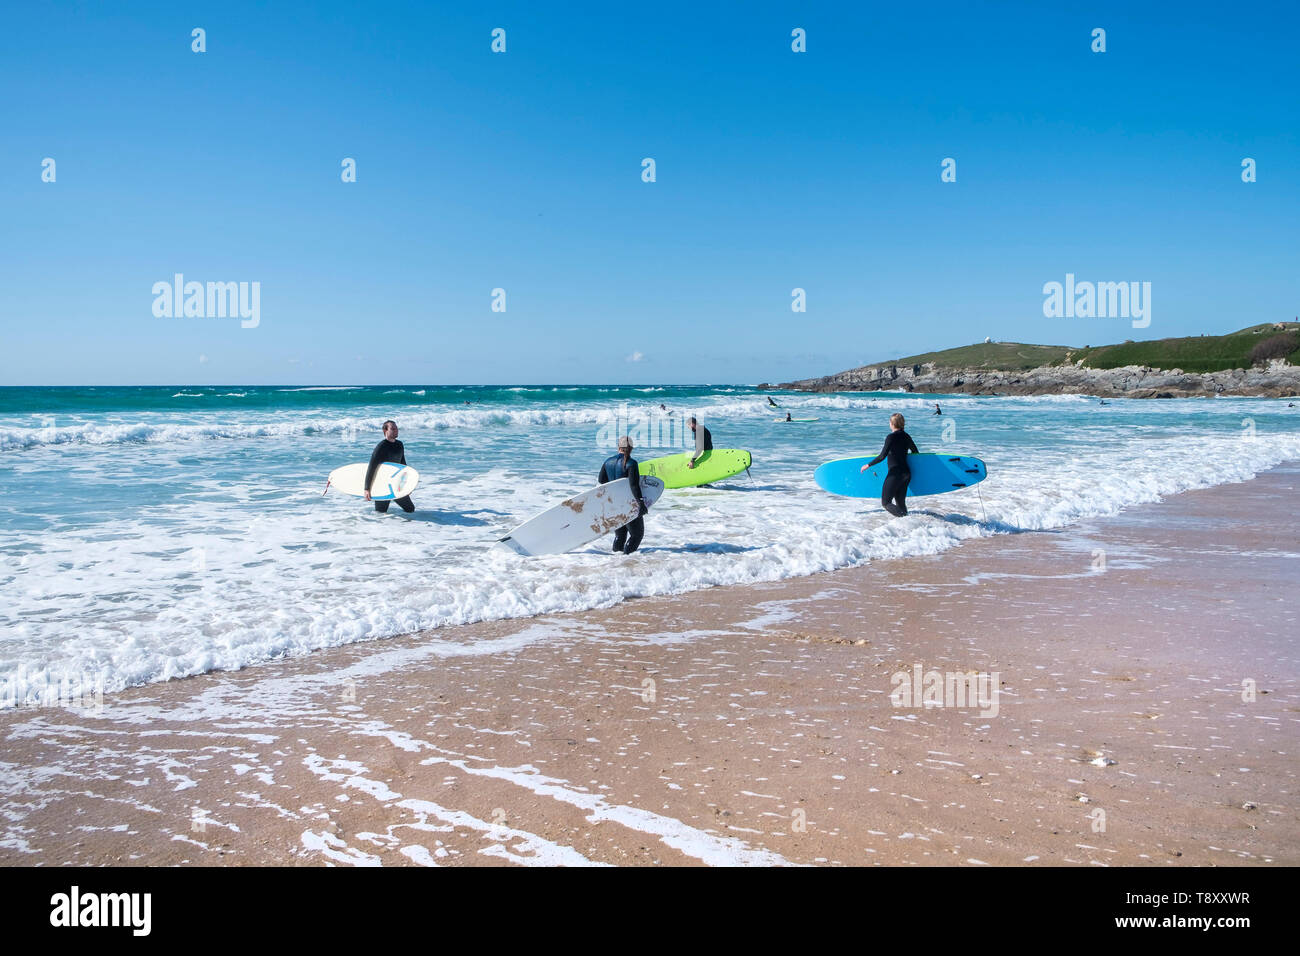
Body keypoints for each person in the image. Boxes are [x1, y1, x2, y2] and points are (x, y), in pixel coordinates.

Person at [862, 412, 918, 518]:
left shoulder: (891, 437)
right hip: (906, 473)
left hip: (895, 473)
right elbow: (915, 452)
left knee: (886, 503)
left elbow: (882, 456)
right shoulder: (907, 436)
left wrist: (868, 465)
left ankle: (907, 520)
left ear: (892, 424)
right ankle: (907, 523)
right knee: (900, 503)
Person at [599, 436, 648, 554]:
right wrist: (641, 503)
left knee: (620, 535)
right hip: (628, 504)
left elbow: (601, 480)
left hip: (614, 504)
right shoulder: (631, 463)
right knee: (637, 535)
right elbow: (634, 486)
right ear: (631, 448)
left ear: (618, 447)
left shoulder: (608, 462)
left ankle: (617, 561)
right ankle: (626, 559)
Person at [364, 420, 415, 513]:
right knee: (380, 514)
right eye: (393, 428)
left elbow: (403, 466)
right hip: (382, 486)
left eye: (396, 428)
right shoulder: (381, 447)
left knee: (410, 509)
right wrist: (367, 489)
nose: (396, 430)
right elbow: (371, 467)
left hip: (395, 484)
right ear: (385, 431)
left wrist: (407, 485)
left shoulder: (399, 445)